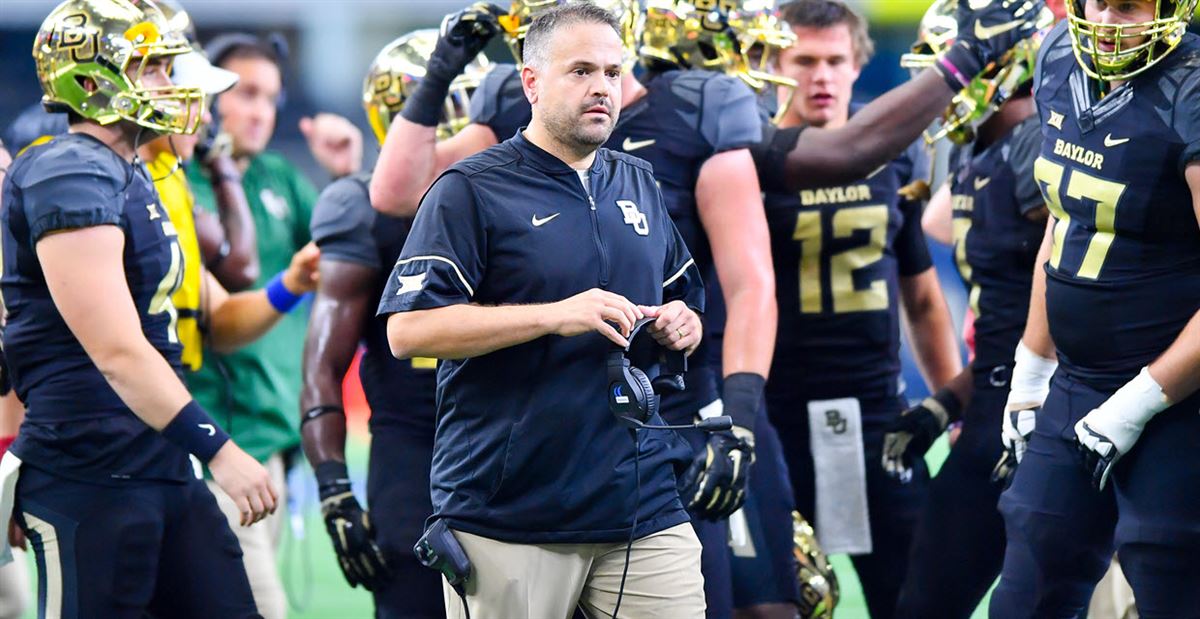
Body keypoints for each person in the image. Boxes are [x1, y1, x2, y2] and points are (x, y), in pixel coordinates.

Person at [373, 3, 795, 615]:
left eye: (612, 71)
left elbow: (685, 302)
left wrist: (682, 324)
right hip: (510, 509)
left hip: (642, 500)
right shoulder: (470, 187)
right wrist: (554, 314)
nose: (602, 87)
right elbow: (408, 331)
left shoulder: (639, 181)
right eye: (580, 71)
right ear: (531, 81)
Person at [0, 1, 298, 615]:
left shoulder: (133, 171)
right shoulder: (68, 170)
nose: (174, 83)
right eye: (154, 69)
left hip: (156, 456)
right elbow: (115, 351)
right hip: (87, 465)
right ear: (91, 83)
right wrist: (220, 448)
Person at [987, 0, 1200, 616]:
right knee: (1029, 583)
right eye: (1096, 2)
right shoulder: (1058, 54)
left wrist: (1142, 400)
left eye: (1128, 6)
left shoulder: (1191, 88)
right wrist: (1032, 365)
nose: (1106, 22)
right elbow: (1067, 222)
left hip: (1180, 396)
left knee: (1168, 572)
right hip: (1078, 384)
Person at [755, 3, 961, 618]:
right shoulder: (747, 156)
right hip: (775, 418)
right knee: (770, 602)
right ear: (773, 66)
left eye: (835, 61)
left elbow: (922, 298)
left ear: (857, 65)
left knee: (915, 599)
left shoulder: (894, 158)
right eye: (805, 61)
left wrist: (953, 408)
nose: (821, 76)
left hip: (876, 417)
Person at [301, 30, 490, 618]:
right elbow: (324, 365)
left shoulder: (537, 191)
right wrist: (334, 491)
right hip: (416, 457)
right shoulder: (360, 206)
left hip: (524, 447)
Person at [184, 32, 362, 619]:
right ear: (208, 97)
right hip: (214, 435)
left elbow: (349, 261)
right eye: (246, 93)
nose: (260, 111)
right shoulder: (180, 180)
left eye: (271, 98)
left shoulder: (281, 177)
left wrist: (345, 177)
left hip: (274, 437)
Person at [880, 2, 1049, 616]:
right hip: (995, 420)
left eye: (949, 63)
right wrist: (943, 402)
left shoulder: (1044, 146)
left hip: (1055, 429)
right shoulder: (986, 155)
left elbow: (1084, 318)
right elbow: (1012, 337)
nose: (936, 84)